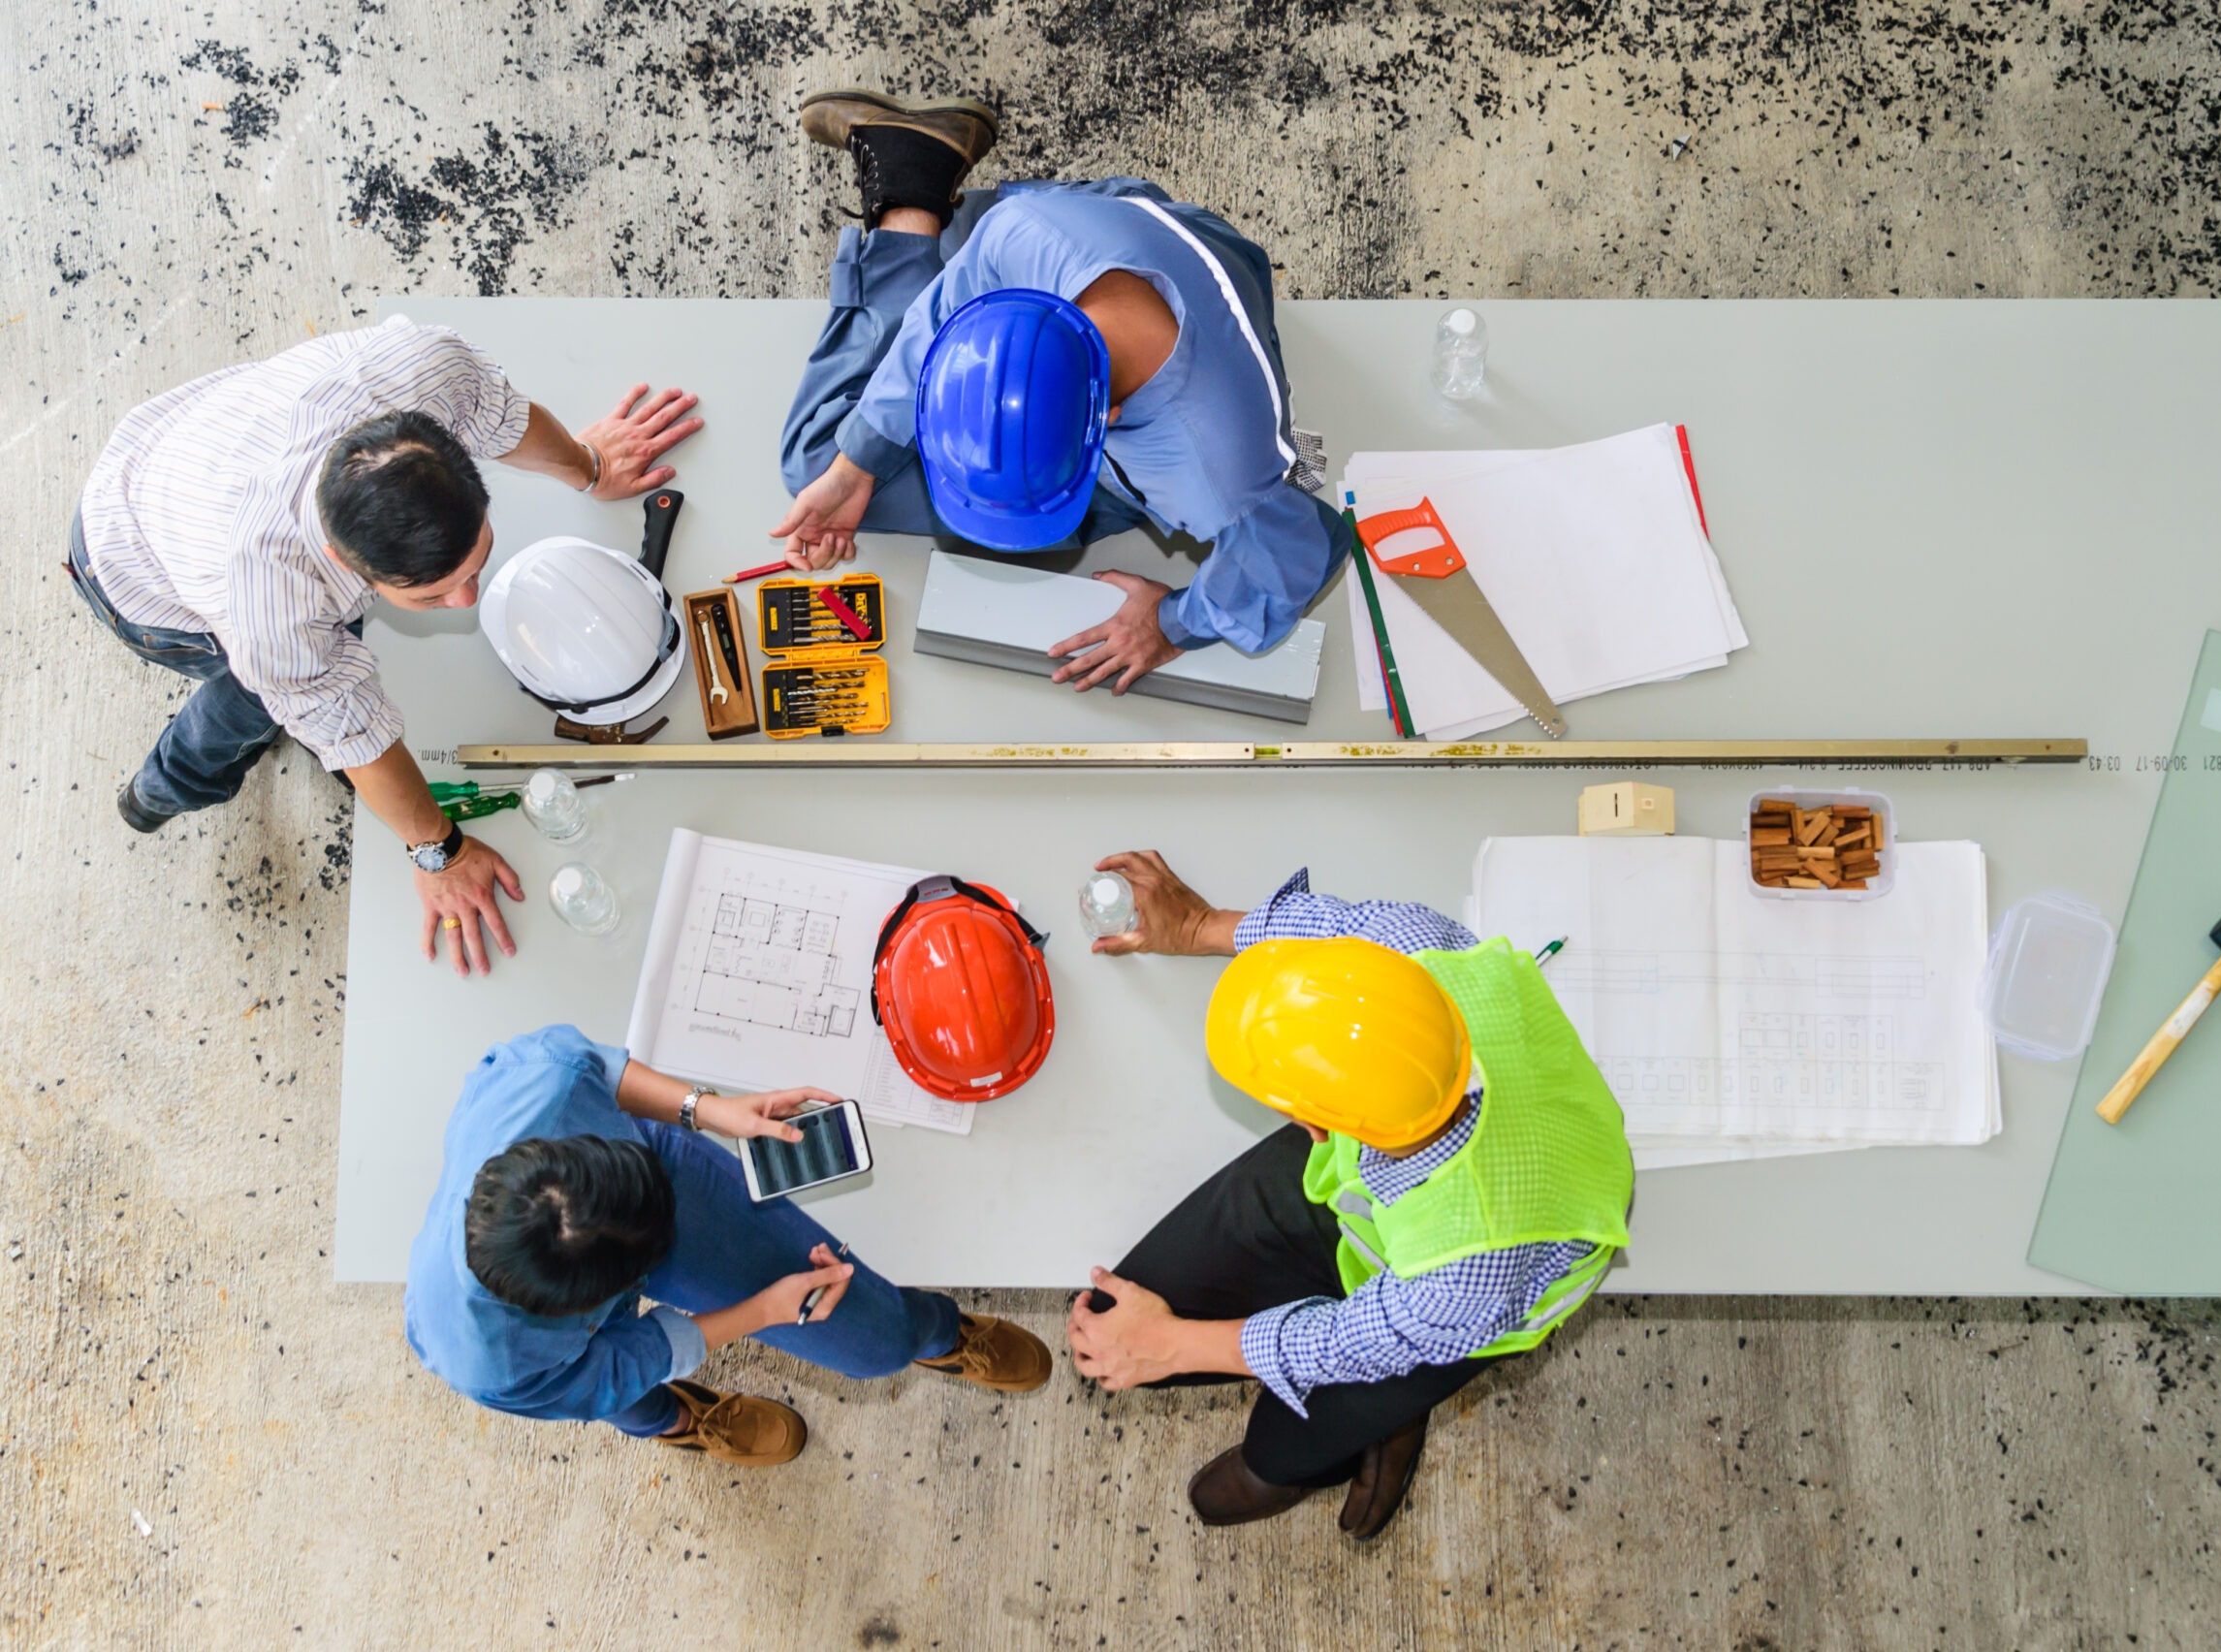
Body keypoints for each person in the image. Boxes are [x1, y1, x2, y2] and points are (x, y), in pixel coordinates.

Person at [68, 318, 704, 975]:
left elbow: (508, 421)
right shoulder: (276, 606)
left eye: (476, 565)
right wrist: (441, 853)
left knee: (294, 683)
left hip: (195, 448)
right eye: (430, 597)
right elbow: (354, 734)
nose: (467, 602)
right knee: (255, 697)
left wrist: (590, 467)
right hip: (133, 561)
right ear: (342, 562)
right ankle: (167, 787)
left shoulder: (427, 370)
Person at [1065, 852, 1634, 1541]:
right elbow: (1329, 928)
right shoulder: (1423, 951)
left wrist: (1169, 1345)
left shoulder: (1465, 1268)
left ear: (1313, 1124)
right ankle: (1369, 1402)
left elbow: (1340, 1346)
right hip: (1385, 1195)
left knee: (1291, 1440)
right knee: (1117, 1311)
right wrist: (1198, 925)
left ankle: (1346, 1436)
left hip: (1462, 1282)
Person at [772, 90, 1350, 695]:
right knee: (832, 459)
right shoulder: (1017, 235)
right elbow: (938, 319)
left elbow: (1306, 548)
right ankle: (916, 172)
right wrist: (857, 464)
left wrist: (1174, 624)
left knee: (811, 456)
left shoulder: (1220, 476)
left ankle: (915, 185)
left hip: (1194, 312)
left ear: (1108, 424)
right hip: (1099, 219)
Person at [405, 1026, 1052, 1464]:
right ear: (591, 1302)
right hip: (563, 1362)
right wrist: (762, 1311)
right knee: (623, 1395)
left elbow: (597, 1071)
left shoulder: (540, 1084)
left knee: (874, 1344)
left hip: (634, 1187)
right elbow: (618, 1362)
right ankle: (679, 1423)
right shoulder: (496, 1363)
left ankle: (930, 1332)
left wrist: (705, 1110)